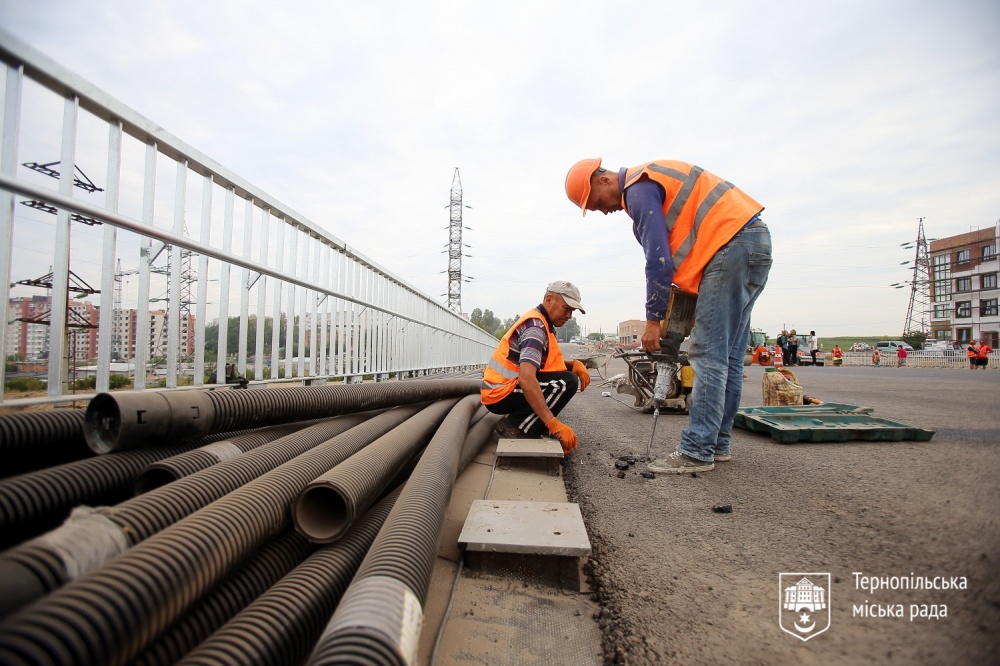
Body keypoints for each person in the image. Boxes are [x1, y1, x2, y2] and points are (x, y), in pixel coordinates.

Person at [565, 157, 771, 474]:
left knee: (707, 354)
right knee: (727, 355)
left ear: (603, 180)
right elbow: (681, 269)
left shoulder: (639, 188)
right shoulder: (654, 182)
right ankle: (717, 444)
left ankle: (697, 450)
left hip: (730, 245)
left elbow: (658, 260)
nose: (602, 210)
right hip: (751, 242)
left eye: (596, 202)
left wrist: (652, 322)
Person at [481, 281, 592, 453]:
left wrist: (573, 365)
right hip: (500, 393)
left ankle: (528, 423)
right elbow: (527, 378)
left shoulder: (543, 324)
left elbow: (546, 366)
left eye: (572, 311)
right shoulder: (536, 328)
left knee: (566, 378)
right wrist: (553, 424)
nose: (569, 315)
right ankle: (515, 428)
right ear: (549, 299)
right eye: (566, 308)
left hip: (503, 389)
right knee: (565, 384)